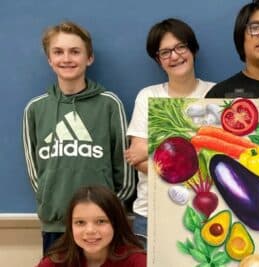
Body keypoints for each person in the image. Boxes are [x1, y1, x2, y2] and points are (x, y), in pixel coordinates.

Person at [22, 21, 135, 254]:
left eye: (75, 51)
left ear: (89, 58)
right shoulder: (35, 109)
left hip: (103, 226)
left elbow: (124, 169)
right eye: (58, 52)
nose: (67, 58)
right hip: (56, 225)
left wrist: (108, 211)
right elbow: (35, 173)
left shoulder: (109, 104)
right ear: (49, 60)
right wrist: (49, 204)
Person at [124, 18, 215, 248]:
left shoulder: (215, 93)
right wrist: (192, 149)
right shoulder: (148, 96)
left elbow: (217, 155)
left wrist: (154, 149)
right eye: (165, 52)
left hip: (206, 212)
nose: (174, 56)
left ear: (192, 49)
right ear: (158, 60)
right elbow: (136, 157)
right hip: (152, 213)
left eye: (180, 47)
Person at [37, 185, 146, 267]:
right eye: (80, 222)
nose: (90, 230)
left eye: (100, 221)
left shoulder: (137, 261)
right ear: (70, 226)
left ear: (116, 223)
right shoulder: (56, 261)